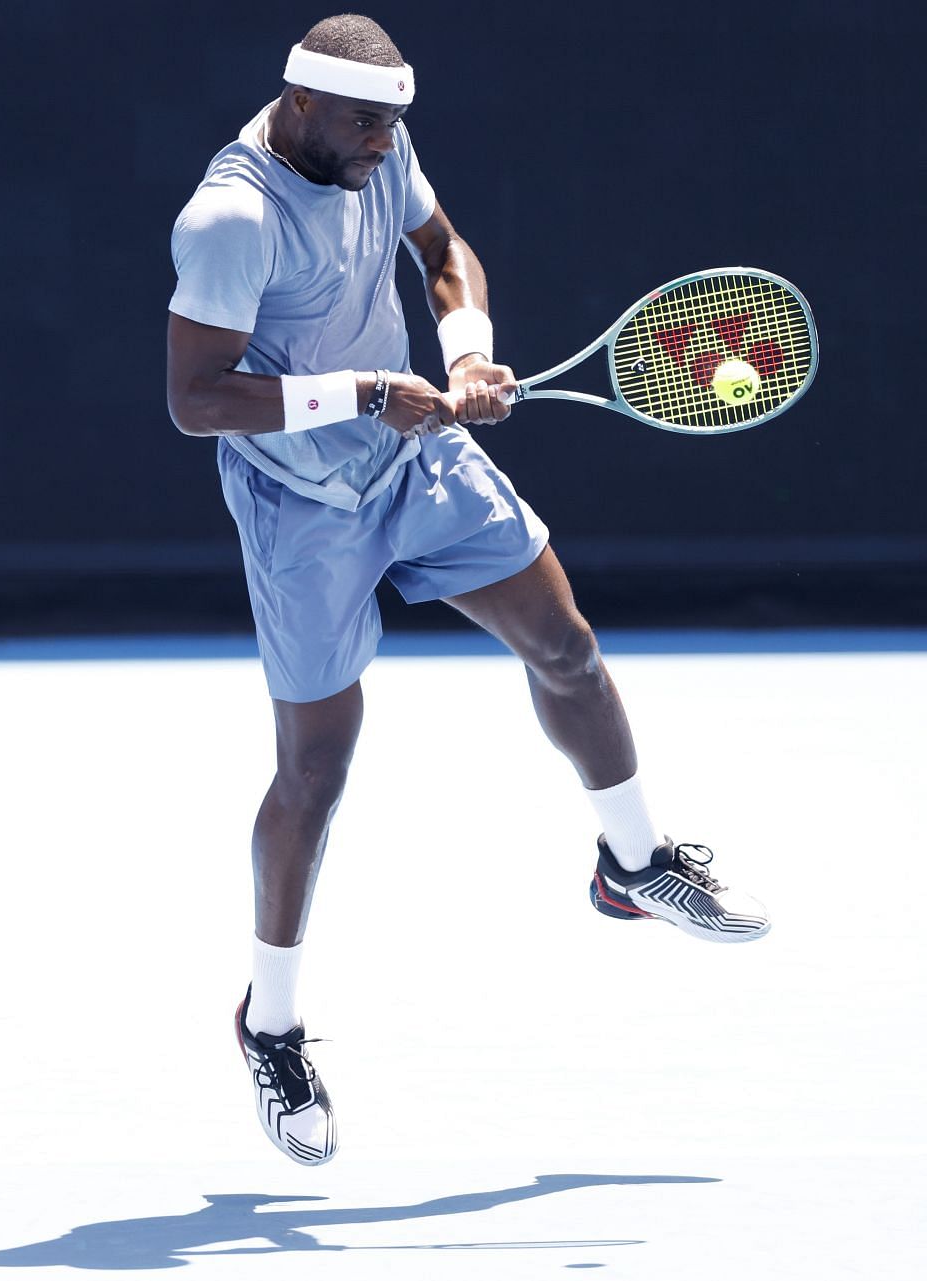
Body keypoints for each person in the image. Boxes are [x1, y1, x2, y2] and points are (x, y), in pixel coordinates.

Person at [165, 14, 770, 1167]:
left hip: (417, 458)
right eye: (363, 123)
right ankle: (274, 1027)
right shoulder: (232, 218)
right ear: (299, 103)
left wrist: (467, 350)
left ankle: (632, 864)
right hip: (303, 506)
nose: (386, 147)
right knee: (315, 774)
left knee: (567, 646)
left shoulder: (374, 151)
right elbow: (197, 401)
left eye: (397, 124)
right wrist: (355, 393)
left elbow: (444, 253)